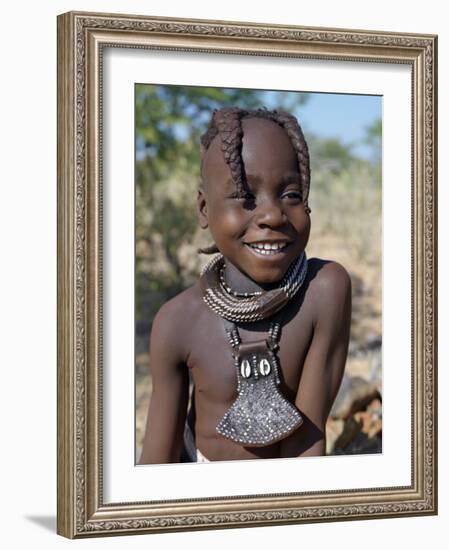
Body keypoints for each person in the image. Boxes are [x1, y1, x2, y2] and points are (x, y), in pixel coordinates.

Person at [138, 106, 351, 464]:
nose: (272, 215)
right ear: (204, 209)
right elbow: (157, 462)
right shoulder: (177, 321)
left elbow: (307, 447)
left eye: (291, 195)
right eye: (245, 196)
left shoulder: (324, 291)